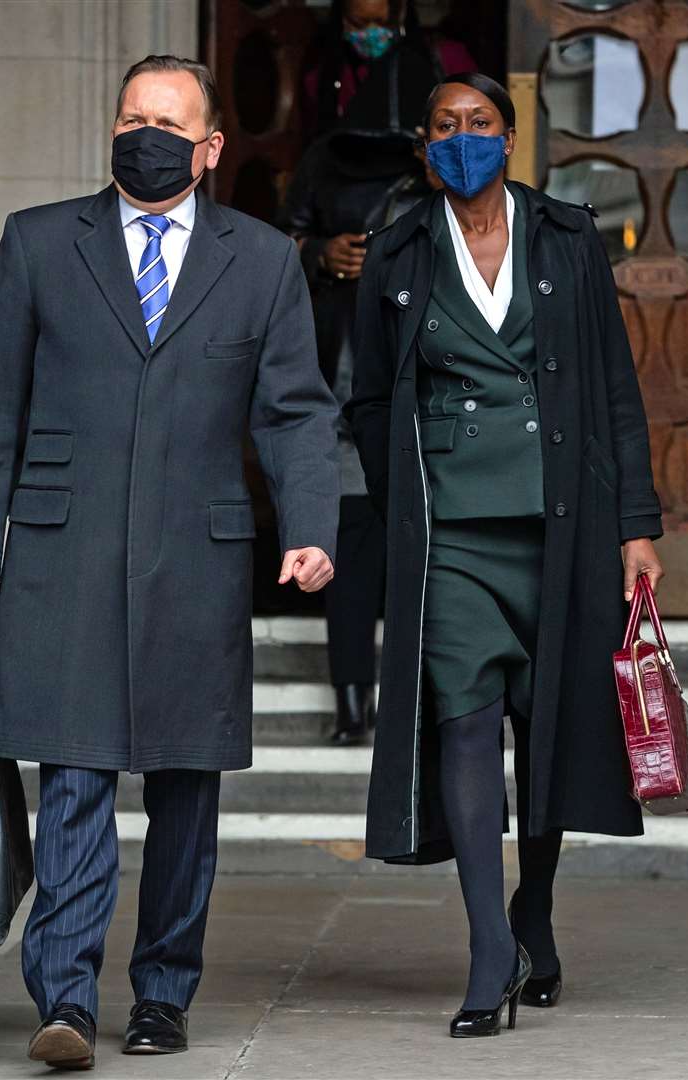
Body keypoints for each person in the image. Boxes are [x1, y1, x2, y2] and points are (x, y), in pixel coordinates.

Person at [0, 56, 339, 1071]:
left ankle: (162, 994)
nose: (143, 135)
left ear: (208, 149)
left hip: (197, 556)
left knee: (184, 790)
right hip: (64, 549)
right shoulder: (38, 242)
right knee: (71, 776)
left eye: (167, 122)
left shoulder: (260, 259)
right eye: (130, 116)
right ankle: (65, 999)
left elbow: (295, 410)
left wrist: (312, 525)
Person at [346, 73, 665, 1038]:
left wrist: (636, 524)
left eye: (479, 124)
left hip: (563, 520)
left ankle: (535, 907)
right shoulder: (398, 247)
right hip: (450, 532)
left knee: (551, 724)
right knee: (469, 720)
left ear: (511, 137)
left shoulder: (566, 239)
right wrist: (403, 499)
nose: (462, 139)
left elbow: (615, 385)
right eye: (444, 127)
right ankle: (489, 946)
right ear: (423, 144)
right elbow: (368, 398)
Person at [279, 129, 433, 743]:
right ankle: (352, 707)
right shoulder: (328, 163)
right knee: (346, 566)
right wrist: (320, 254)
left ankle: (411, 709)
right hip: (345, 403)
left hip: (422, 412)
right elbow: (282, 238)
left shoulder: (450, 196)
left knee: (421, 573)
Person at [302, 0, 476, 142]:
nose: (371, 32)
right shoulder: (323, 80)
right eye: (359, 23)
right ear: (343, 20)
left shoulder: (450, 60)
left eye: (383, 23)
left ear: (401, 13)